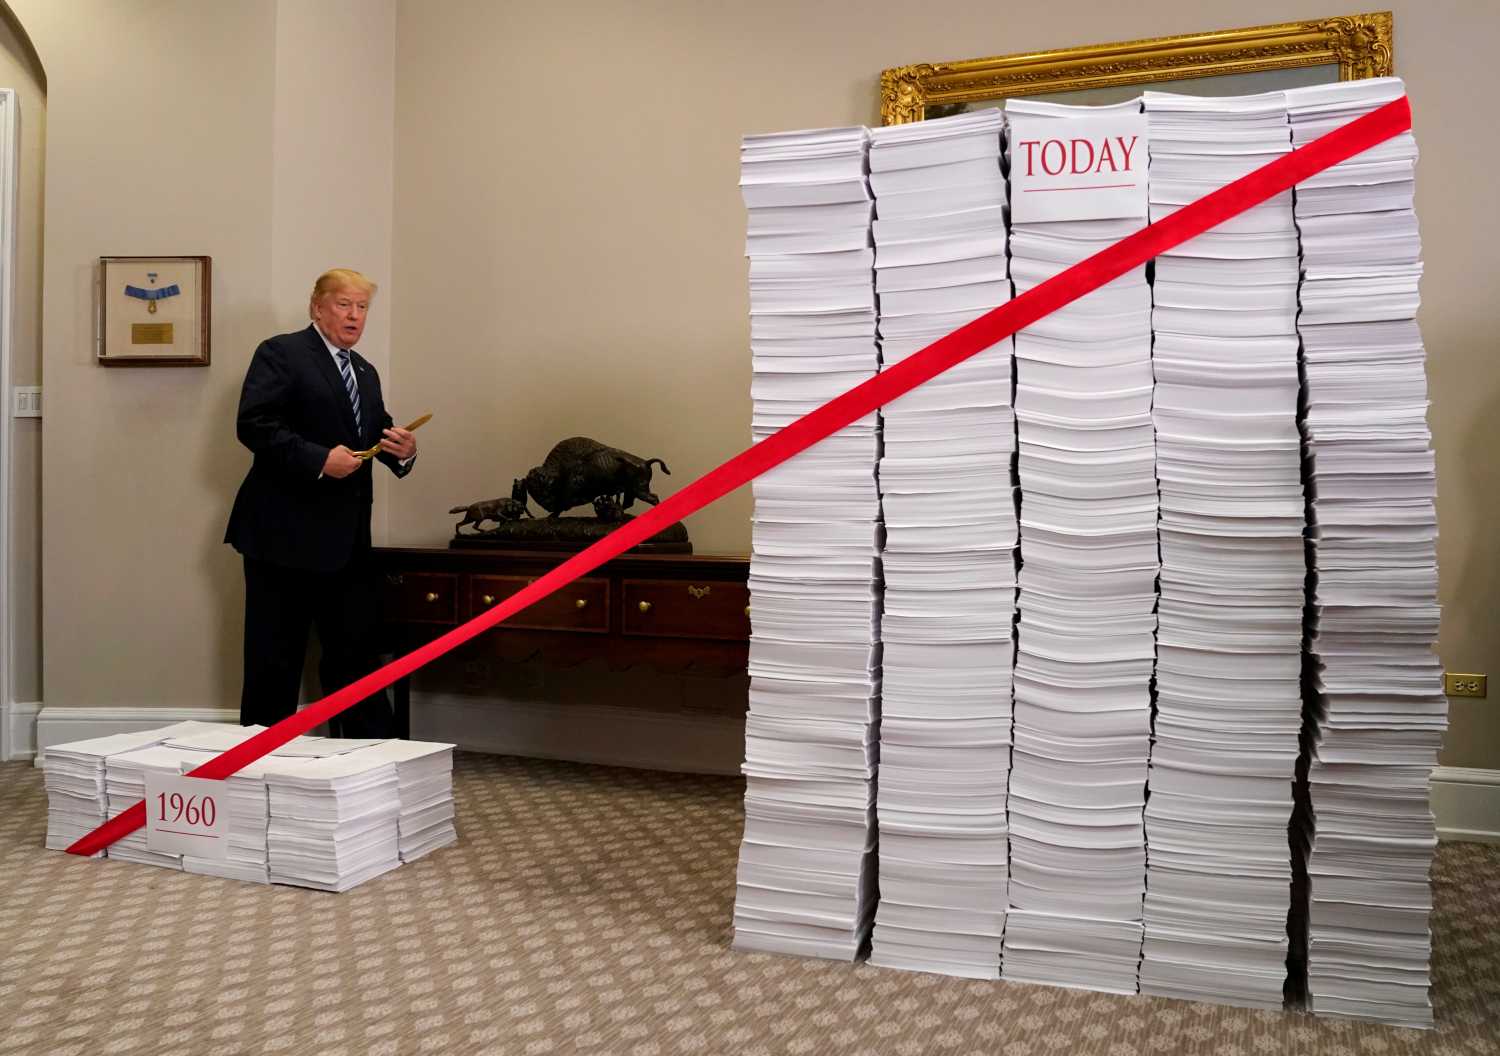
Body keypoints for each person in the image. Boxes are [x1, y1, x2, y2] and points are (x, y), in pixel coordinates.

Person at [225, 268, 417, 738]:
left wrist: (403, 451)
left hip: (347, 544)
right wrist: (318, 460)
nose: (354, 316)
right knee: (275, 661)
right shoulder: (281, 353)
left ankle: (371, 756)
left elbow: (375, 434)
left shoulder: (364, 372)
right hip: (281, 537)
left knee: (356, 654)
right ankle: (258, 761)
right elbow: (254, 424)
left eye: (362, 307)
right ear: (317, 307)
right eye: (343, 304)